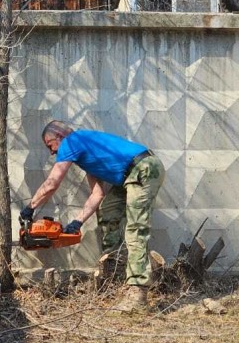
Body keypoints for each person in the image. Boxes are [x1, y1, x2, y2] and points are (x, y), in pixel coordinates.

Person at [20, 120, 165, 314]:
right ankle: (116, 276)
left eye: (50, 145)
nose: (52, 152)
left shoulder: (72, 141)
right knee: (108, 212)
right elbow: (97, 194)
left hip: (143, 169)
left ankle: (138, 294)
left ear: (59, 136)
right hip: (129, 175)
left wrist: (30, 208)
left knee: (136, 229)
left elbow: (52, 183)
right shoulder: (86, 152)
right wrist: (77, 222)